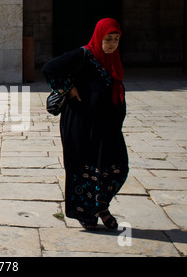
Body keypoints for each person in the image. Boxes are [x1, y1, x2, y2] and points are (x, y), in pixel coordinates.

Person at [42, 18, 129, 231]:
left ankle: (101, 206)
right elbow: (49, 68)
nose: (112, 44)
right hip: (81, 124)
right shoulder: (84, 54)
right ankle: (85, 213)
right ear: (99, 37)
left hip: (106, 126)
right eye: (108, 39)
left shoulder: (113, 60)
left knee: (118, 167)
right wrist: (68, 89)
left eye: (116, 39)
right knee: (83, 169)